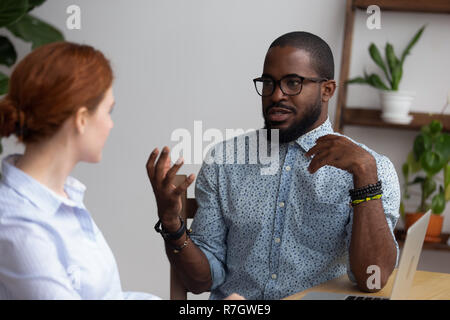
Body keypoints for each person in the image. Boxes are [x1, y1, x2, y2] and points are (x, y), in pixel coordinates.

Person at [146, 31, 400, 300]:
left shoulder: (371, 169)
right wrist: (172, 224)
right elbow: (200, 282)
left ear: (327, 90)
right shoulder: (224, 161)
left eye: (293, 83)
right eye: (268, 83)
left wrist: (365, 178)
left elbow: (373, 280)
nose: (276, 95)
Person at [0, 42, 161, 300]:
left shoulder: (64, 198)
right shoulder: (17, 225)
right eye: (108, 111)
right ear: (82, 119)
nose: (111, 124)